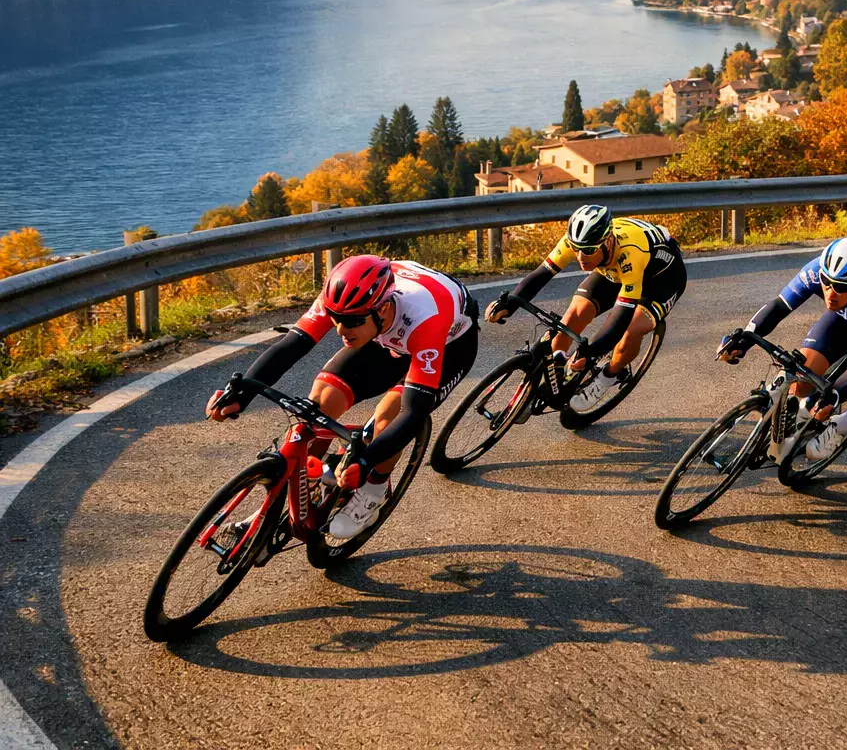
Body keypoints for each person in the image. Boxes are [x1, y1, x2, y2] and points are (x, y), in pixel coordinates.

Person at [205, 255, 479, 538]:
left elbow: (413, 413)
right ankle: (285, 502)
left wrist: (366, 462)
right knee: (321, 402)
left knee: (388, 418)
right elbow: (292, 345)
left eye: (350, 321)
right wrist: (244, 390)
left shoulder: (426, 317)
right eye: (335, 318)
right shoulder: (345, 302)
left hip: (447, 346)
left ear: (383, 308)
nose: (340, 330)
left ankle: (373, 492)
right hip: (382, 335)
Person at [718, 238, 847, 462]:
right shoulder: (817, 270)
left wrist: (834, 396)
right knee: (801, 378)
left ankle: (841, 426)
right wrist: (744, 338)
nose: (830, 292)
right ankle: (799, 417)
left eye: (841, 286)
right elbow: (779, 306)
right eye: (826, 281)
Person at [485, 205, 686, 411]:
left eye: (589, 250)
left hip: (661, 280)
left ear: (608, 241)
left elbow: (621, 315)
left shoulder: (631, 254)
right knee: (574, 315)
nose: (581, 256)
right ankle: (544, 382)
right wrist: (511, 302)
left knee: (631, 329)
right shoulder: (580, 243)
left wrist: (591, 352)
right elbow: (541, 274)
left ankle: (608, 377)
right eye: (577, 248)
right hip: (613, 270)